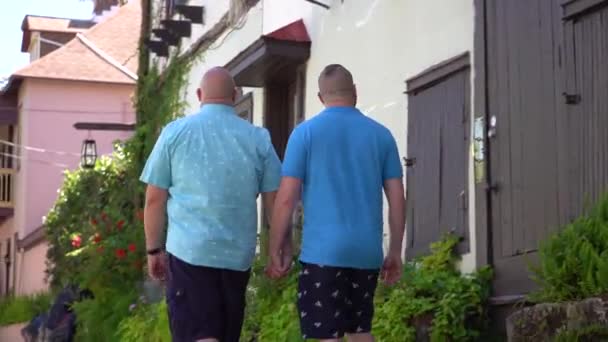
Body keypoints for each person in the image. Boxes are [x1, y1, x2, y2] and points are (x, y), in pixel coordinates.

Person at [140, 67, 286, 342]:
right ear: (235, 95)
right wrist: (277, 249)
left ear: (199, 95)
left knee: (199, 334)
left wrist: (153, 249)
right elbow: (274, 201)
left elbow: (154, 199)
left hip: (189, 254)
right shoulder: (258, 139)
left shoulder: (175, 133)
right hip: (236, 258)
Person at [267, 64, 406, 342]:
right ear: (355, 92)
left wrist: (276, 246)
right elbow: (397, 199)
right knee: (359, 331)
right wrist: (394, 251)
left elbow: (285, 200)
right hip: (366, 253)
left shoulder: (304, 134)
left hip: (323, 254)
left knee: (325, 335)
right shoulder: (381, 135)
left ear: (321, 98)